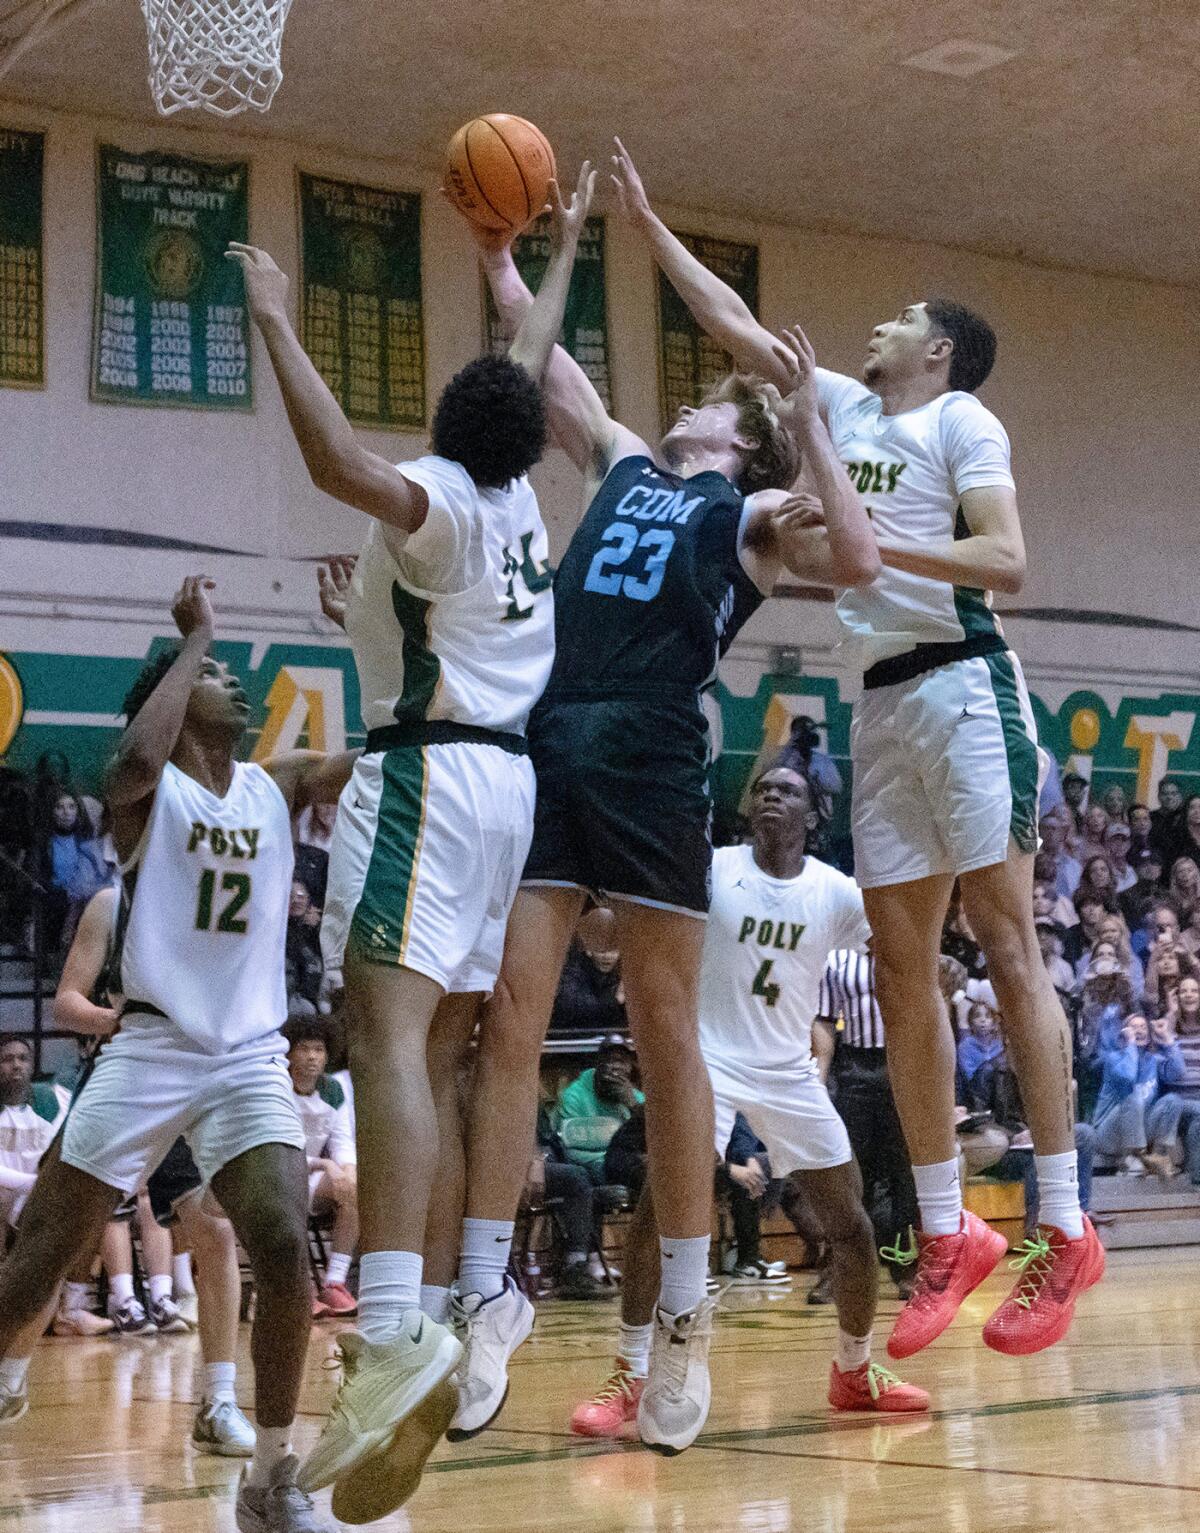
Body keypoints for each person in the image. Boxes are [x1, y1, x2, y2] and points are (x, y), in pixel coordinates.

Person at [622, 141, 1109, 1356]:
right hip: (879, 709)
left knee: (1003, 941)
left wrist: (888, 552)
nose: (875, 329)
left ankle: (1065, 1220)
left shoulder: (961, 419)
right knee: (902, 976)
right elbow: (734, 324)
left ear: (935, 349)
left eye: (898, 319)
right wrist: (645, 224)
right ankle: (948, 1232)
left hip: (963, 683)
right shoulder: (838, 407)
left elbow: (1007, 563)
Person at [451, 158, 879, 1453]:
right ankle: (485, 1297)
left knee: (662, 1032)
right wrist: (508, 240)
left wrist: (808, 426)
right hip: (552, 730)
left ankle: (684, 1318)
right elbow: (543, 362)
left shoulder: (748, 509)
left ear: (740, 440)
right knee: (509, 1018)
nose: (688, 399)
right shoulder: (632, 460)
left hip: (647, 751)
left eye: (717, 402)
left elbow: (856, 559)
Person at [229, 161, 578, 1511]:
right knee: (430, 1053)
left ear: (447, 420)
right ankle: (425, 1305)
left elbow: (332, 460)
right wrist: (551, 255)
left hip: (426, 782)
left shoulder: (436, 494)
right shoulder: (523, 507)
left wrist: (271, 311)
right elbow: (532, 363)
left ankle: (385, 1338)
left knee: (376, 1036)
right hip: (507, 794)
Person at [0, 576, 358, 1533]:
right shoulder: (146, 798)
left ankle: (273, 1480)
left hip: (246, 1052)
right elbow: (130, 757)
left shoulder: (272, 784)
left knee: (282, 1243)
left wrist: (365, 631)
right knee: (35, 1264)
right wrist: (195, 641)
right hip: (151, 1043)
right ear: (176, 690)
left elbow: (364, 763)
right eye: (218, 679)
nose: (237, 687)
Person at [569, 767, 928, 1446]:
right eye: (763, 786)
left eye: (788, 789)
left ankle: (854, 1370)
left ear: (813, 816)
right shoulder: (710, 867)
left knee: (852, 1227)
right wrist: (596, 916)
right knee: (656, 1217)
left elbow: (899, 946)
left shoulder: (835, 891)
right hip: (710, 1063)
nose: (771, 794)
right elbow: (619, 928)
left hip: (791, 1071)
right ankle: (631, 1374)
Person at [818, 947, 918, 1297]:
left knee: (906, 1175)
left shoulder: (906, 944)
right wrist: (819, 1079)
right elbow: (825, 1020)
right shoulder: (837, 959)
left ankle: (906, 1267)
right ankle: (838, 1268)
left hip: (903, 1063)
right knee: (850, 1175)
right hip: (855, 1068)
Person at [284, 1019, 359, 1318]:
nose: (312, 1057)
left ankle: (335, 1282)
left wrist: (348, 1171)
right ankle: (298, 1288)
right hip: (280, 1175)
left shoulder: (334, 1090)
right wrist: (326, 1164)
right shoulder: (277, 1087)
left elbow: (342, 1141)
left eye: (319, 1050)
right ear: (289, 1054)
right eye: (304, 1049)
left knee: (357, 1191)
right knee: (291, 1195)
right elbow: (282, 1147)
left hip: (313, 1177)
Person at [553, 1035, 643, 1183]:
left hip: (628, 1164)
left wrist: (632, 1105)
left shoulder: (636, 1098)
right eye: (611, 1060)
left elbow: (652, 1141)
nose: (616, 1068)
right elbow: (569, 1151)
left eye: (622, 1061)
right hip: (593, 1165)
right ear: (598, 1065)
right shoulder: (574, 1095)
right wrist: (610, 1162)